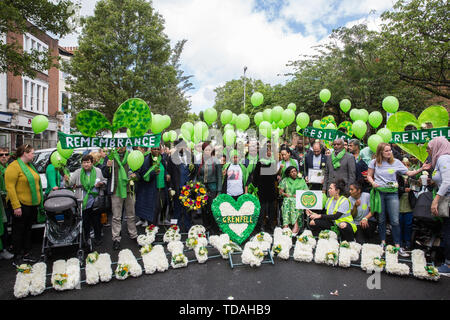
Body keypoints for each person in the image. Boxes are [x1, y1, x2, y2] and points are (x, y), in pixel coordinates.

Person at [367, 142, 430, 253]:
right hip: (379, 193)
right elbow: (369, 175)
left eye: (390, 150)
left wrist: (421, 169)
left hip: (392, 193)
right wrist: (373, 183)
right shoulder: (374, 162)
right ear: (380, 152)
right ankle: (383, 242)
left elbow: (409, 173)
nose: (389, 152)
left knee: (395, 220)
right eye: (386, 150)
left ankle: (397, 244)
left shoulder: (396, 162)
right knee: (381, 219)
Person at [5, 145, 43, 265]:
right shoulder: (14, 166)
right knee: (18, 231)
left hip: (31, 204)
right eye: (32, 153)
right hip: (21, 204)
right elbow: (10, 188)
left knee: (27, 230)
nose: (33, 155)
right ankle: (17, 256)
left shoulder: (29, 166)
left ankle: (27, 253)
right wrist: (16, 206)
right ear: (24, 153)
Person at [102, 147, 138, 250]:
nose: (120, 147)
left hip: (129, 189)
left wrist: (135, 175)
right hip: (116, 190)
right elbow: (105, 174)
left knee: (131, 214)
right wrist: (107, 166)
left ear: (126, 146)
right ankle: (116, 238)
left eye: (122, 145)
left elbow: (138, 170)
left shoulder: (131, 156)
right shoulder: (110, 157)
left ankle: (133, 234)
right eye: (118, 144)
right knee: (116, 216)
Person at [66, 154, 106, 247]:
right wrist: (66, 179)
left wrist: (101, 183)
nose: (86, 164)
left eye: (88, 162)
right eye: (84, 162)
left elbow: (105, 181)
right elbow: (69, 183)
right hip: (83, 201)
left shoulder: (98, 171)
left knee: (96, 221)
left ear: (92, 163)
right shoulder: (78, 172)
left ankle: (98, 238)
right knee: (85, 221)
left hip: (95, 200)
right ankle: (86, 238)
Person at [427, 136, 450, 275]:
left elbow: (447, 182)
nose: (428, 151)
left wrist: (435, 200)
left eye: (429, 148)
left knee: (448, 231)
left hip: (447, 199)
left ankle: (448, 265)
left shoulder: (443, 158)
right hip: (446, 197)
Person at [167, 139, 196, 233]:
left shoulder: (191, 156)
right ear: (176, 147)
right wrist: (171, 187)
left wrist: (192, 182)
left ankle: (188, 226)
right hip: (177, 186)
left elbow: (194, 171)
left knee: (188, 208)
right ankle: (176, 227)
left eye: (182, 145)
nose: (181, 147)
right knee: (177, 208)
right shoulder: (171, 158)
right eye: (179, 146)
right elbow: (169, 173)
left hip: (188, 186)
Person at [195, 142, 222, 234]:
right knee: (203, 209)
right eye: (206, 150)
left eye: (209, 150)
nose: (208, 151)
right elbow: (198, 176)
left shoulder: (216, 161)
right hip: (203, 188)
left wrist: (219, 191)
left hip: (213, 188)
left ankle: (214, 228)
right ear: (203, 151)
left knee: (212, 209)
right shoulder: (200, 161)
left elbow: (219, 177)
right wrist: (198, 187)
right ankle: (205, 227)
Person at [250, 144, 278, 233]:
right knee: (262, 209)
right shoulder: (259, 163)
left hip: (271, 189)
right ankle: (261, 225)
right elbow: (255, 177)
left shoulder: (273, 162)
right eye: (267, 151)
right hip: (262, 189)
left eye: (269, 151)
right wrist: (256, 187)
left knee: (271, 209)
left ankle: (270, 225)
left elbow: (274, 177)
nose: (268, 153)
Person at [278, 166, 308, 235]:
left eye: (295, 171)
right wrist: (285, 194)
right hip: (288, 199)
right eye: (292, 172)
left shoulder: (301, 180)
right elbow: (280, 191)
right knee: (287, 201)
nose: (294, 173)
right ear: (289, 174)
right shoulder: (285, 180)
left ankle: (296, 224)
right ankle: (285, 225)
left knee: (294, 202)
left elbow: (306, 191)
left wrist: (299, 195)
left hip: (298, 199)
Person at [0, 147, 13, 260]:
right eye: (1, 155)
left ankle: (6, 247)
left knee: (6, 225)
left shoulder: (9, 168)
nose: (4, 156)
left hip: (8, 202)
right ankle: (3, 249)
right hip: (2, 203)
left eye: (6, 154)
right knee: (2, 226)